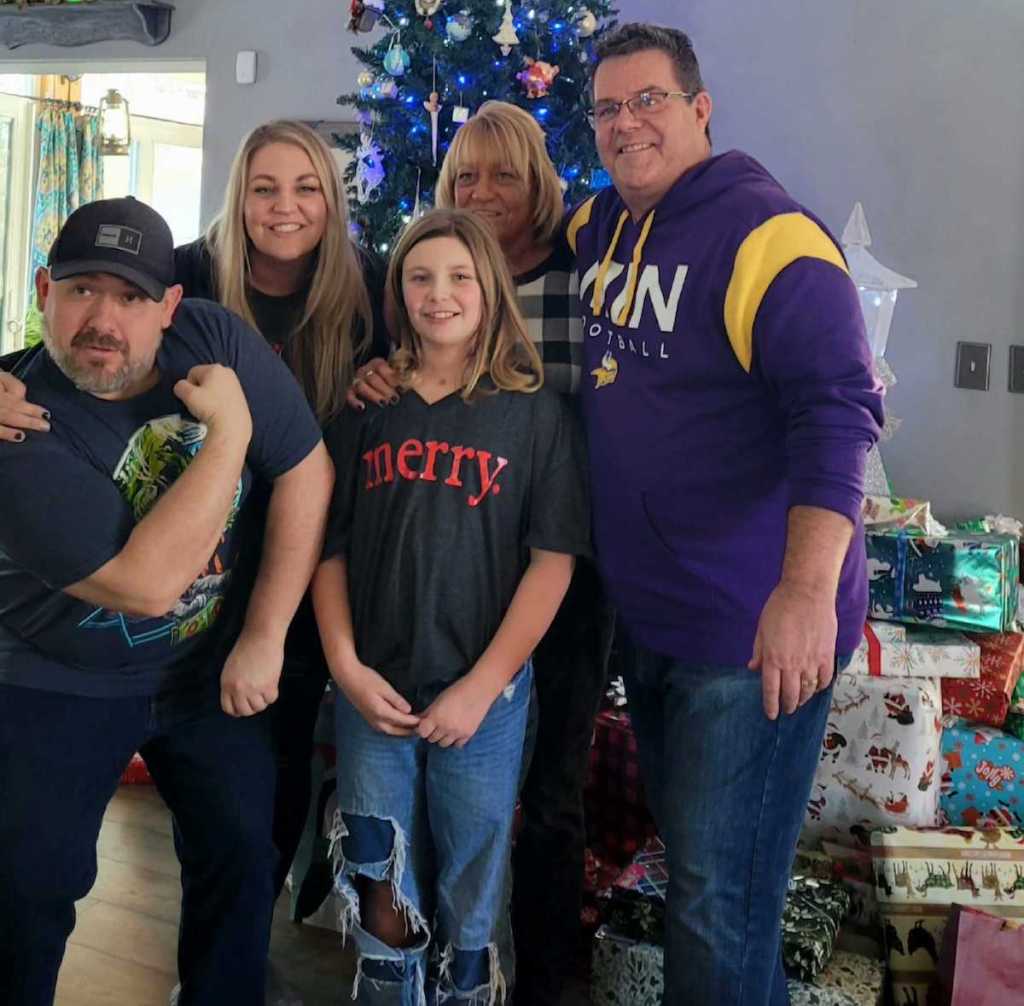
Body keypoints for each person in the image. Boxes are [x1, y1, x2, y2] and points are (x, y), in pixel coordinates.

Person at [565, 23, 884, 1005]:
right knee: (709, 886)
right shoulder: (596, 228)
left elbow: (839, 412)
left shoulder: (768, 236)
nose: (627, 124)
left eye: (649, 100)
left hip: (750, 637)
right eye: (608, 108)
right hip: (652, 622)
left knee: (716, 902)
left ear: (699, 109)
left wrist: (803, 592)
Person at [0, 197, 332, 1006]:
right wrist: (230, 435)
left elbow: (308, 471)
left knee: (242, 858)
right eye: (80, 290)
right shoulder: (14, 424)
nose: (102, 318)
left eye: (131, 297)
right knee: (29, 891)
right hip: (54, 677)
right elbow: (146, 584)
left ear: (170, 307)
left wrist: (264, 634)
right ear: (43, 290)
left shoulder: (212, 338)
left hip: (202, 668)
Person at [355, 101, 615, 1006]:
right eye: (467, 174)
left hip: (552, 558)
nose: (485, 190)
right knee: (399, 823)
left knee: (536, 796)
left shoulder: (588, 276)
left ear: (537, 181)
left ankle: (534, 979)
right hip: (431, 581)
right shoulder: (406, 341)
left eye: (504, 173)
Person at [313, 208, 590, 1005]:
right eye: (420, 277)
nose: (440, 294)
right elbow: (324, 549)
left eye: (460, 277)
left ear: (491, 290)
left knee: (472, 882)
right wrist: (344, 667)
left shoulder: (535, 413)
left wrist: (481, 686)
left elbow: (551, 565)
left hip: (485, 697)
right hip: (374, 690)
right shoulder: (367, 406)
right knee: (380, 876)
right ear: (398, 292)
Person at [172, 121, 389, 936]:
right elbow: (102, 333)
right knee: (209, 768)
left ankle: (240, 944)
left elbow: (424, 377)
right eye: (265, 187)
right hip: (198, 549)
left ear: (330, 204)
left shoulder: (367, 285)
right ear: (240, 196)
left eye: (306, 189)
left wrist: (385, 371)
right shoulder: (189, 272)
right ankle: (214, 946)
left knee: (282, 750)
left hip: (308, 557)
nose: (285, 207)